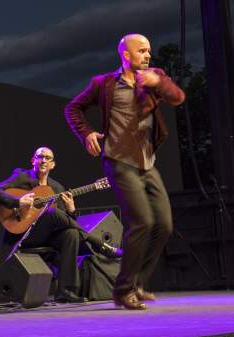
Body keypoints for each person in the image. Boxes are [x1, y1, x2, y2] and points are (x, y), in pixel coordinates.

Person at [64, 34, 185, 310]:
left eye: (149, 51)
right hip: (119, 160)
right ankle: (123, 290)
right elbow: (72, 109)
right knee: (141, 221)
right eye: (142, 51)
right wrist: (87, 134)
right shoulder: (104, 84)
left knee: (164, 225)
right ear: (126, 55)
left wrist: (160, 82)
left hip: (147, 163)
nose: (148, 55)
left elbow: (178, 98)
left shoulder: (155, 77)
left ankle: (137, 282)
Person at [0, 146, 121, 303]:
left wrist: (71, 210)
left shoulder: (57, 188)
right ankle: (99, 244)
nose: (44, 160)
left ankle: (65, 291)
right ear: (33, 160)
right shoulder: (21, 176)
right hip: (24, 233)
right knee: (52, 212)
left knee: (70, 233)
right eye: (40, 157)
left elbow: (66, 222)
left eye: (48, 158)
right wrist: (18, 201)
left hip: (46, 236)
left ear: (53, 164)